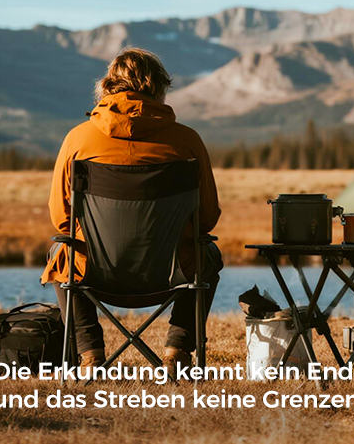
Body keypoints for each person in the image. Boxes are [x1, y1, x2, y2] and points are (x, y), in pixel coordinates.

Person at [40, 48, 222, 368]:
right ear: (160, 88)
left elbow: (61, 219)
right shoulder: (187, 141)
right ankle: (178, 350)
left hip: (96, 274)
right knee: (208, 254)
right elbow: (206, 219)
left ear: (107, 85)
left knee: (60, 254)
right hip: (170, 274)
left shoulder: (78, 140)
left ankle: (90, 353)